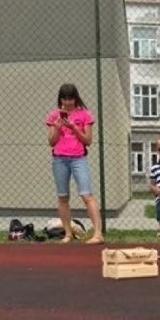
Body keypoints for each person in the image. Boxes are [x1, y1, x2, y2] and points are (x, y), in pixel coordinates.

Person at [45, 84, 104, 243]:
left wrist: (73, 128)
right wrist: (57, 128)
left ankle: (98, 233)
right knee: (63, 197)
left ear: (75, 98)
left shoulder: (84, 114)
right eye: (64, 99)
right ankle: (68, 233)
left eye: (70, 99)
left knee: (86, 195)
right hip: (59, 159)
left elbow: (88, 140)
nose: (67, 102)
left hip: (78, 158)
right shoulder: (53, 115)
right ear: (60, 99)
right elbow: (51, 141)